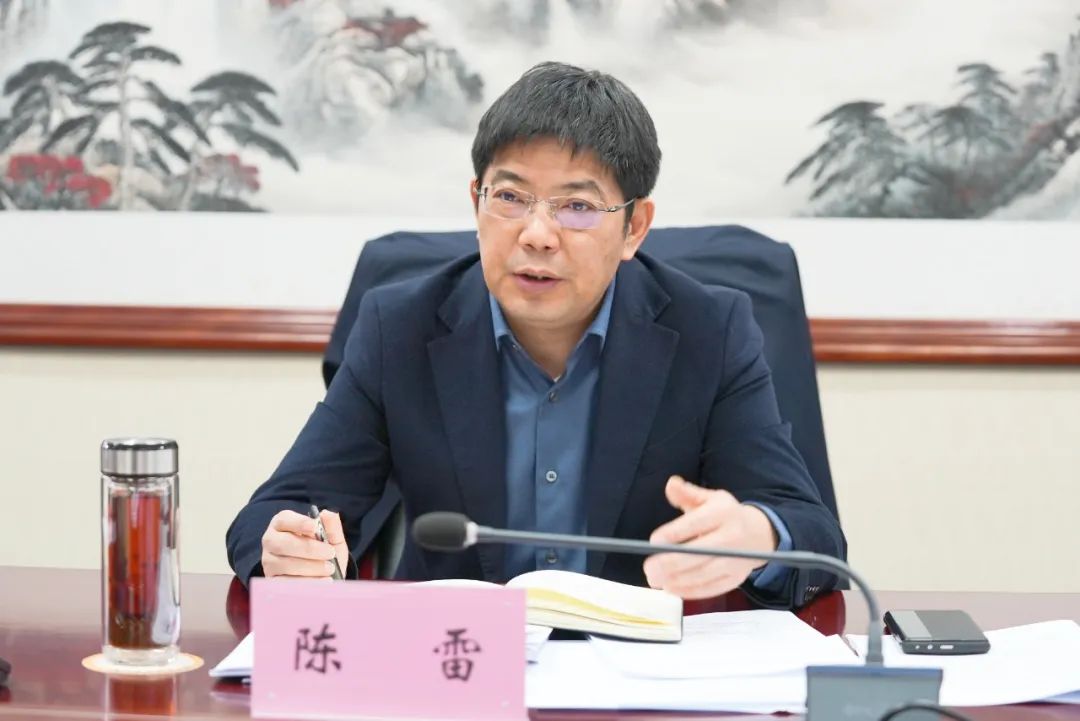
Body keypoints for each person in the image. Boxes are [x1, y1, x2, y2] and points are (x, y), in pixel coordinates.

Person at [226, 61, 845, 608]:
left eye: (577, 207)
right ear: (476, 203)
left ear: (634, 227)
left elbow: (812, 534)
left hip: (634, 668)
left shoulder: (709, 330)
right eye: (510, 197)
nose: (537, 234)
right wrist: (288, 547)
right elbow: (276, 512)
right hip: (455, 661)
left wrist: (759, 536)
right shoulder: (402, 326)